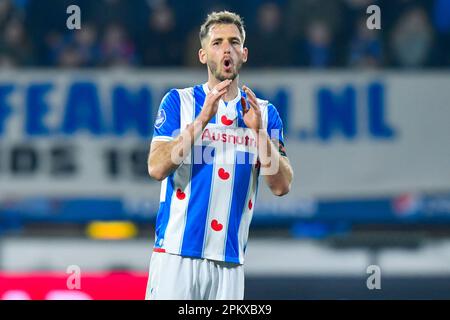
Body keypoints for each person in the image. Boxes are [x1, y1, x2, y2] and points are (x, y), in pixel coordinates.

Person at [146, 10, 293, 300]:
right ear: (202, 55)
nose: (227, 48)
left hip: (229, 263)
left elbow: (281, 186)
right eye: (218, 42)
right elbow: (156, 167)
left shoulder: (263, 113)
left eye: (234, 42)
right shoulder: (180, 102)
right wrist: (201, 121)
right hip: (176, 256)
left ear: (244, 54)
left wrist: (259, 134)